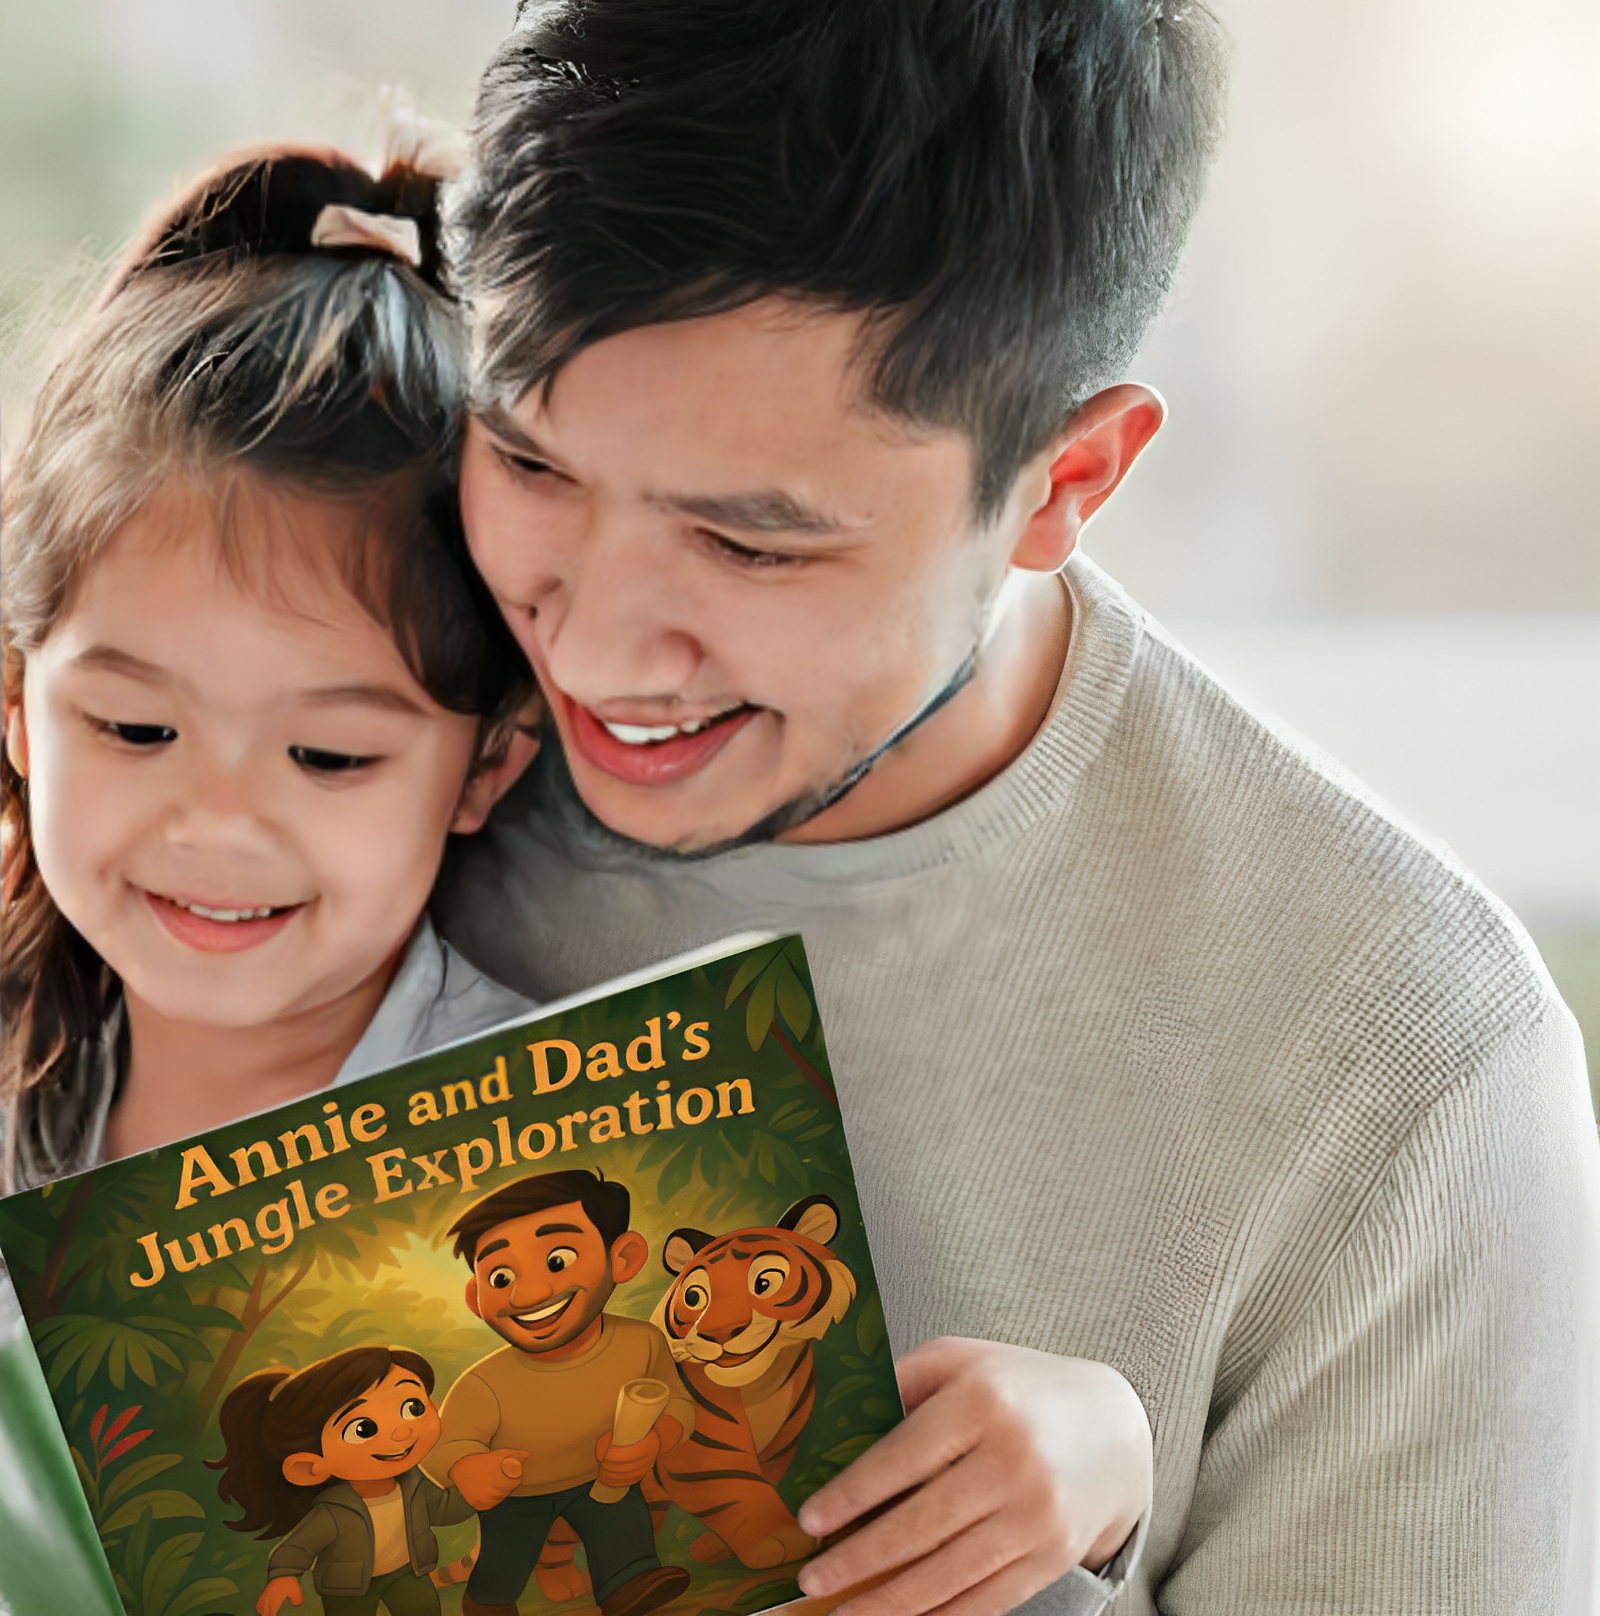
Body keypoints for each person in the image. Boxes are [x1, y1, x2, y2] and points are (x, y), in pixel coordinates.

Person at [435, 1, 1600, 1613]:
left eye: (753, 546)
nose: (595, 643)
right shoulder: (292, 726)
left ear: (1066, 484)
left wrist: (1075, 1548)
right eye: (531, 463)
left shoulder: (1402, 1061)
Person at [0, 145, 538, 1609]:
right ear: (16, 706)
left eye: (329, 758)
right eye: (135, 729)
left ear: (488, 765)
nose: (216, 824)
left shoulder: (560, 1148)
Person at [425, 1168, 695, 1616]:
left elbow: (679, 1402)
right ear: (476, 1299)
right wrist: (467, 1467)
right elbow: (444, 1444)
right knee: (505, 1563)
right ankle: (488, 1600)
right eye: (500, 1278)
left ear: (622, 1258)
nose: (530, 1293)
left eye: (558, 1259)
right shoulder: (484, 1382)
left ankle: (630, 1582)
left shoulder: (643, 1341)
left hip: (604, 1480)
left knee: (624, 1529)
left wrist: (658, 1438)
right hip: (519, 1494)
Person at [209, 1345, 475, 1616]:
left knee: (423, 1609)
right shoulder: (334, 1509)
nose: (402, 1430)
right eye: (363, 1429)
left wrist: (477, 1492)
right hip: (346, 1586)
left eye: (413, 1407)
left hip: (408, 1571)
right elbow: (300, 1544)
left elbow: (442, 1508)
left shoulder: (413, 1483)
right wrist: (284, 1575)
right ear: (310, 1467)